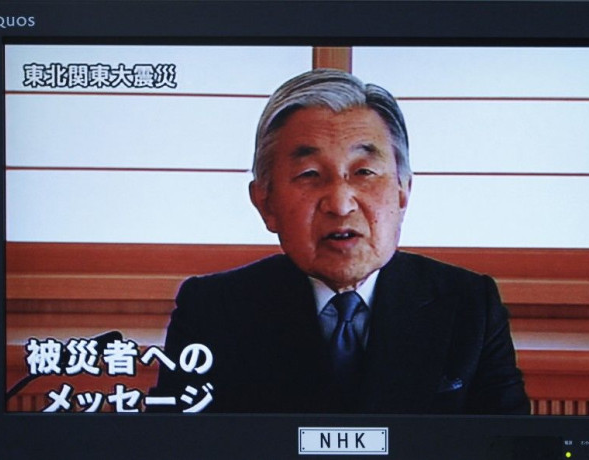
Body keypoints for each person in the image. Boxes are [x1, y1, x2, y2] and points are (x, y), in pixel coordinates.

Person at [149, 69, 530, 414]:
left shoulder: (468, 304)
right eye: (310, 174)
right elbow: (175, 446)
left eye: (364, 171)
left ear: (402, 192)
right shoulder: (213, 310)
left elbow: (509, 444)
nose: (341, 203)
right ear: (266, 203)